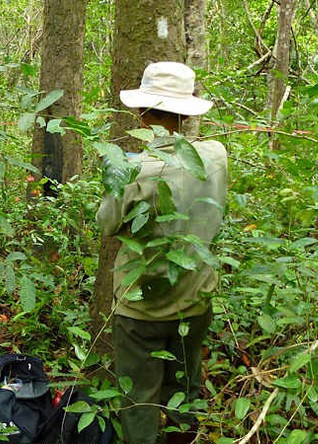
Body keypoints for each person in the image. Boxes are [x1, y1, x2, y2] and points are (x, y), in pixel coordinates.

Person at [96, 62, 228, 444]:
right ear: (187, 113)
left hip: (142, 305)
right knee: (185, 387)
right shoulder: (216, 155)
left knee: (139, 398)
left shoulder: (135, 168)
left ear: (140, 112)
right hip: (196, 296)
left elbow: (107, 224)